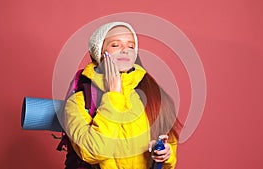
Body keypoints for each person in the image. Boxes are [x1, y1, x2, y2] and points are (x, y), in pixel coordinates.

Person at [60, 22, 182, 169]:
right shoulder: (80, 100)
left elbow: (170, 157)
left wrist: (165, 155)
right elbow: (92, 152)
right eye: (116, 45)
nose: (125, 50)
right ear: (99, 52)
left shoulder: (151, 93)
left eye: (131, 46)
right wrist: (113, 96)